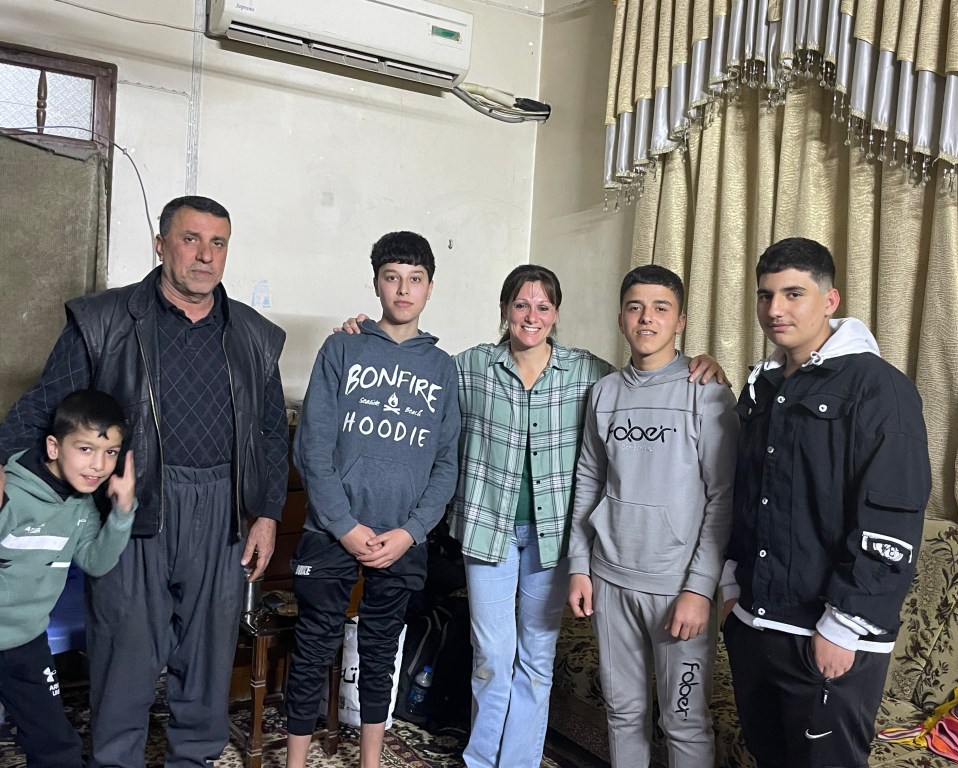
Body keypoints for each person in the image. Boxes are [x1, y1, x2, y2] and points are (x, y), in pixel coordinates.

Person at [340, 263, 726, 768]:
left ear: (556, 313)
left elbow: (649, 378)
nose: (531, 316)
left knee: (537, 659)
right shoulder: (471, 367)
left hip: (553, 538)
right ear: (505, 310)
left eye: (543, 306)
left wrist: (703, 363)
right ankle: (483, 760)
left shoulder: (589, 373)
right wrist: (368, 338)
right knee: (492, 657)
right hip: (488, 532)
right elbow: (415, 371)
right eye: (521, 304)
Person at [0, 195, 289, 768]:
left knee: (207, 657)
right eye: (190, 239)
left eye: (218, 243)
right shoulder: (103, 321)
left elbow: (271, 434)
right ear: (160, 245)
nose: (204, 255)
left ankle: (194, 758)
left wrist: (268, 513)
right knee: (126, 654)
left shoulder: (256, 336)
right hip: (131, 504)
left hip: (223, 507)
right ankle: (116, 760)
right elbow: (42, 408)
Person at [720, 237, 931, 768]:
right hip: (754, 623)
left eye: (793, 294)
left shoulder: (879, 388)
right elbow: (747, 494)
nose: (776, 309)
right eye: (766, 295)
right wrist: (730, 585)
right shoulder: (763, 386)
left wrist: (844, 625)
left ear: (830, 300)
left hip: (828, 636)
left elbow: (893, 516)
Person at [285, 231, 460, 768]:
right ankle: (295, 762)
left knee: (381, 654)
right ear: (377, 283)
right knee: (313, 648)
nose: (403, 290)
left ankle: (370, 762)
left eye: (415, 279)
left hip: (401, 537)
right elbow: (311, 446)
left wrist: (410, 532)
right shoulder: (342, 348)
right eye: (392, 278)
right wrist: (343, 525)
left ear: (430, 287)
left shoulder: (443, 368)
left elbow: (446, 463)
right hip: (331, 531)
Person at [566, 265, 738, 768]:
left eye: (661, 308)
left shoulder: (706, 392)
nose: (647, 318)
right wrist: (579, 565)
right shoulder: (605, 393)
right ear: (621, 318)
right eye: (635, 307)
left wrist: (699, 588)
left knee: (683, 721)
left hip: (678, 589)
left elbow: (722, 498)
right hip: (610, 580)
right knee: (623, 713)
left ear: (680, 320)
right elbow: (589, 481)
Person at [0, 389, 136, 768]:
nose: (98, 465)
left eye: (110, 452)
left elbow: (96, 561)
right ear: (54, 446)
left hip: (27, 643)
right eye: (86, 449)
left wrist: (123, 511)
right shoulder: (11, 492)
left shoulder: (81, 506)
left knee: (58, 749)